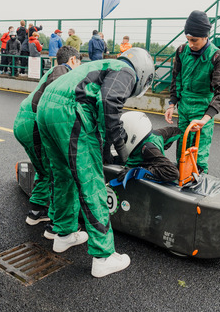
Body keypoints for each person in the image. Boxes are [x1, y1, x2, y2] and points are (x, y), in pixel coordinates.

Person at [36, 47, 155, 278]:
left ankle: (64, 234)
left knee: (62, 176)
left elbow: (99, 106)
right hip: (69, 111)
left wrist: (104, 147)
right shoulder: (126, 70)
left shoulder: (101, 65)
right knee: (91, 182)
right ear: (143, 72)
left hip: (45, 108)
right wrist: (121, 147)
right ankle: (103, 256)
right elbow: (109, 102)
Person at [14, 46, 82, 229]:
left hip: (26, 123)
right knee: (56, 172)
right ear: (73, 60)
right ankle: (56, 223)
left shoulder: (54, 70)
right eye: (79, 62)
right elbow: (47, 102)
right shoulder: (62, 71)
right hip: (33, 125)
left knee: (44, 170)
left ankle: (37, 212)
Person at [164, 10, 220, 174]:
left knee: (198, 157)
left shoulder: (217, 57)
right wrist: (172, 104)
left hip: (202, 112)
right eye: (188, 39)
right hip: (184, 108)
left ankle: (198, 185)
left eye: (194, 40)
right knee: (182, 151)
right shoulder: (181, 51)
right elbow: (176, 78)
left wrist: (206, 118)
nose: (191, 44)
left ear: (206, 36)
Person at [114, 111, 181, 183]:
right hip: (152, 160)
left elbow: (173, 173)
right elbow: (177, 131)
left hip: (165, 184)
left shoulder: (148, 149)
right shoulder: (155, 136)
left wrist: (136, 172)